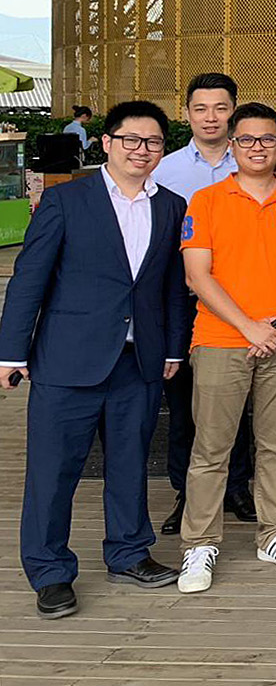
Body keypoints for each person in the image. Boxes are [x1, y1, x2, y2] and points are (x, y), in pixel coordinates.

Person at [1, 102, 190, 619]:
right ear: (106, 143)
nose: (141, 150)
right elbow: (29, 279)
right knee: (52, 472)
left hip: (139, 360)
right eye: (131, 139)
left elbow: (173, 288)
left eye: (153, 142)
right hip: (68, 359)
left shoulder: (172, 206)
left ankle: (128, 553)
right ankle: (50, 572)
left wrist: (173, 346)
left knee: (130, 464)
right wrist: (11, 352)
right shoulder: (66, 200)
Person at [176, 102, 276, 594]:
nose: (257, 148)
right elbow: (197, 275)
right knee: (211, 449)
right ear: (232, 145)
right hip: (220, 340)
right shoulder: (206, 200)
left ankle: (275, 533)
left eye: (267, 139)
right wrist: (249, 327)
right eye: (246, 139)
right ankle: (199, 543)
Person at [153, 73, 254, 534]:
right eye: (200, 108)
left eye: (220, 108)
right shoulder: (165, 169)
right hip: (182, 303)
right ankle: (187, 494)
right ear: (186, 113)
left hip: (242, 306)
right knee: (184, 406)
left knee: (238, 401)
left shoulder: (254, 161)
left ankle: (236, 486)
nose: (210, 117)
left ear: (233, 111)